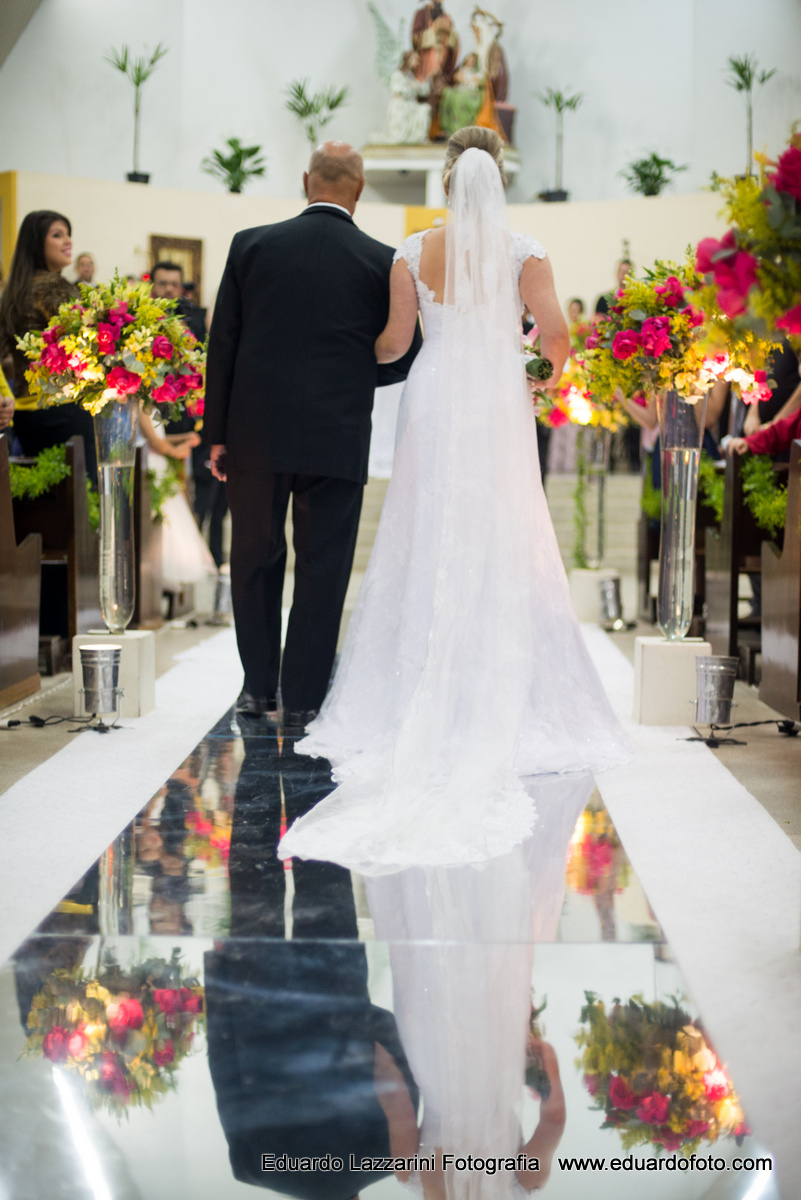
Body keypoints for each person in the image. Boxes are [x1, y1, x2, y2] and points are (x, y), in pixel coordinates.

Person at [278, 126, 630, 876]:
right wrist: (532, 381)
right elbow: (557, 337)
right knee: (503, 531)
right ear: (498, 178)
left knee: (426, 529)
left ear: (445, 180)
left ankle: (411, 686)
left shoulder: (411, 252)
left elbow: (391, 345)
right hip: (496, 397)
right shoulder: (524, 251)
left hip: (434, 395)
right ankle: (497, 684)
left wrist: (334, 349)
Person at [203, 141, 421, 723]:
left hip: (254, 433)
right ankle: (303, 699)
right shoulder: (383, 260)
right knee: (323, 568)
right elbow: (405, 352)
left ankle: (257, 689)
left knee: (254, 558)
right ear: (360, 188)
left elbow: (222, 344)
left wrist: (215, 433)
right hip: (338, 434)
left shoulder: (250, 245)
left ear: (306, 181)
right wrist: (353, 377)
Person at [0, 210, 98, 483]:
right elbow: (88, 343)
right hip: (63, 408)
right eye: (58, 235)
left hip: (25, 414)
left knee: (49, 498)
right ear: (37, 244)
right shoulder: (55, 287)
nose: (68, 241)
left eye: (68, 234)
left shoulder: (14, 292)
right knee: (83, 497)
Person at [150, 260, 207, 343]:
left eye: (174, 284)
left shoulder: (197, 317)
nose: (169, 289)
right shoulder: (142, 315)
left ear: (181, 287)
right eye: (162, 283)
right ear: (152, 286)